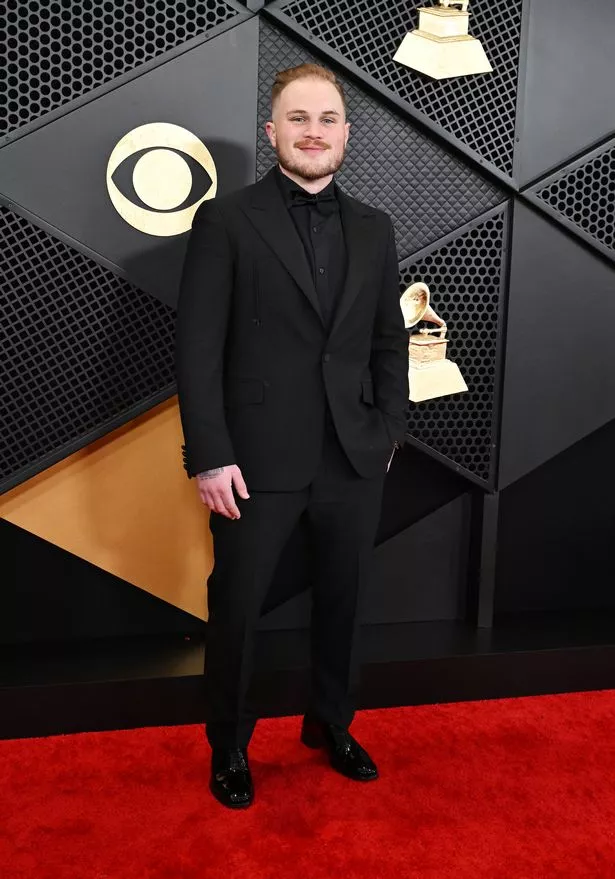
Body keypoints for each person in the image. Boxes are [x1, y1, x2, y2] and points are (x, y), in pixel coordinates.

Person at [174, 63, 409, 809]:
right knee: (238, 606)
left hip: (352, 453)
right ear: (272, 131)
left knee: (345, 599)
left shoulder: (375, 227)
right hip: (253, 459)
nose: (314, 132)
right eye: (298, 119)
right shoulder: (226, 219)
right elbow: (197, 347)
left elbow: (386, 341)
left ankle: (330, 724)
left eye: (327, 119)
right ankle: (230, 746)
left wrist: (389, 429)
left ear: (345, 133)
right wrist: (209, 452)